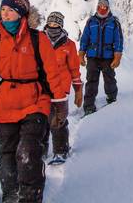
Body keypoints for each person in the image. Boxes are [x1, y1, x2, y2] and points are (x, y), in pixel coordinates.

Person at [0, 0, 61, 203]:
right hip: (6, 107)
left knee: (28, 152)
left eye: (11, 10)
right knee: (7, 156)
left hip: (35, 102)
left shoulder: (38, 39)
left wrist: (59, 106)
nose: (6, 13)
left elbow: (52, 73)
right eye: (3, 9)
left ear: (21, 14)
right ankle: (11, 195)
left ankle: (31, 197)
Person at [41, 11, 83, 164]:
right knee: (41, 120)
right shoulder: (38, 40)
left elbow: (74, 68)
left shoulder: (68, 44)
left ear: (61, 25)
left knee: (58, 119)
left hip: (60, 88)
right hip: (42, 87)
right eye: (51, 23)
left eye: (56, 24)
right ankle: (41, 150)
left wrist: (78, 89)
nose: (53, 26)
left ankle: (61, 150)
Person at [79, 0, 123, 116]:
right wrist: (81, 53)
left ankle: (112, 98)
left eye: (105, 6)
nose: (102, 8)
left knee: (110, 79)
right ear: (97, 7)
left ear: (108, 8)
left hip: (108, 57)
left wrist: (117, 55)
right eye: (100, 6)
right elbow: (85, 38)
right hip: (92, 56)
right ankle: (89, 106)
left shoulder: (114, 22)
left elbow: (118, 40)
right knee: (91, 81)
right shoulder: (91, 21)